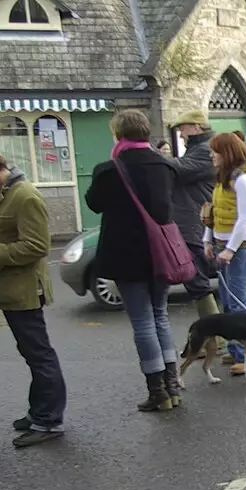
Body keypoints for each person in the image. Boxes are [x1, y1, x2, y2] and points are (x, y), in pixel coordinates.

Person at [0, 146, 66, 448]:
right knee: (33, 353)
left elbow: (36, 246)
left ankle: (49, 420)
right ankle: (39, 412)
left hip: (24, 290)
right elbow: (9, 235)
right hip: (14, 289)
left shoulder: (25, 195)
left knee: (39, 354)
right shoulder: (6, 193)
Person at [85, 109, 183, 413]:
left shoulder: (109, 169)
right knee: (161, 317)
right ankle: (173, 387)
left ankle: (158, 392)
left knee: (142, 323)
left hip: (127, 256)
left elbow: (93, 203)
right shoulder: (165, 166)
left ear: (119, 134)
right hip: (162, 253)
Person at [203, 132, 246, 376]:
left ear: (226, 153)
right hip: (222, 244)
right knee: (228, 302)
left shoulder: (243, 180)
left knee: (239, 301)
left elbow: (244, 219)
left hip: (241, 248)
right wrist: (208, 240)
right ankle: (236, 349)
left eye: (215, 151)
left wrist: (229, 250)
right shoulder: (223, 179)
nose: (211, 156)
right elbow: (214, 212)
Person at [170, 109, 224, 323]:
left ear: (196, 127)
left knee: (197, 279)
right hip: (192, 220)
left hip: (195, 222)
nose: (181, 134)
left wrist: (147, 156)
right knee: (195, 279)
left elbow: (180, 169)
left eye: (183, 129)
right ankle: (214, 336)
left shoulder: (205, 150)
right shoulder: (199, 148)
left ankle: (215, 336)